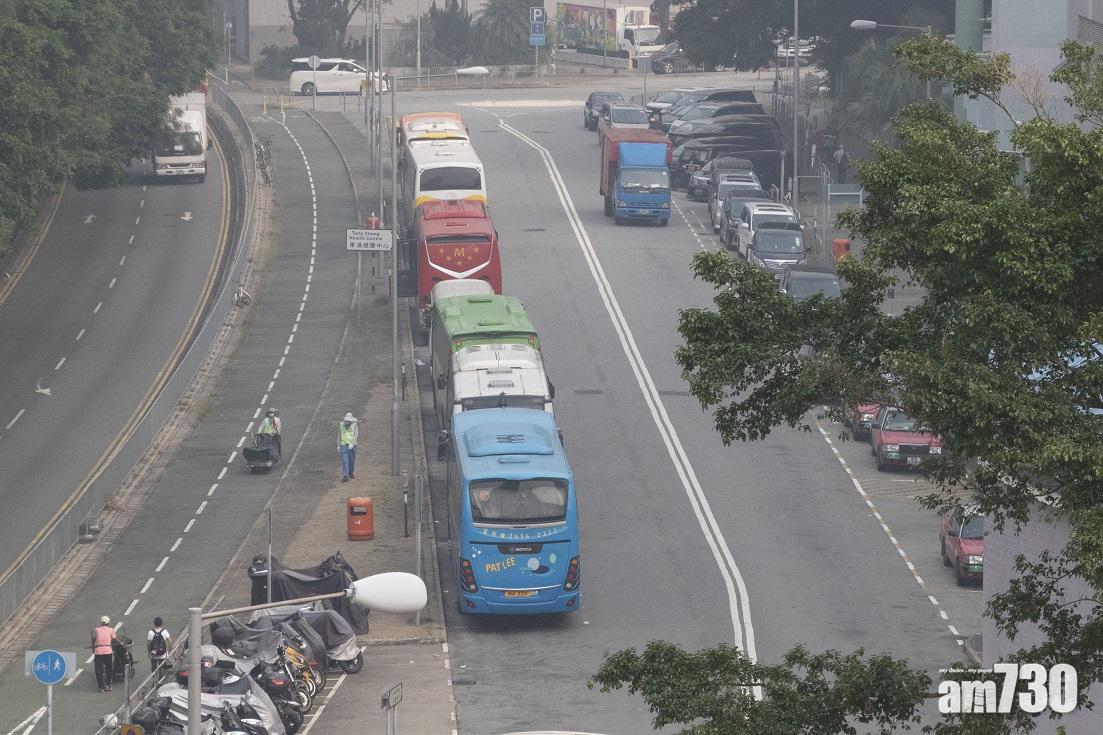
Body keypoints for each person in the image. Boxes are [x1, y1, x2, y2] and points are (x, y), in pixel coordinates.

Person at [91, 615, 121, 692]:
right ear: (108, 623)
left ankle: (101, 688)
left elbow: (93, 639)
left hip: (98, 652)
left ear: (101, 622)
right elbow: (114, 639)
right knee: (109, 669)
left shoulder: (96, 630)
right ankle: (108, 685)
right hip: (108, 651)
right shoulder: (111, 630)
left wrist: (93, 649)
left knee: (99, 670)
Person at [339, 412, 359, 482]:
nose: (347, 422)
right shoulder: (341, 425)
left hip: (352, 445)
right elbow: (339, 435)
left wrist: (352, 443)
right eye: (346, 421)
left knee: (352, 459)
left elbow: (356, 435)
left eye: (348, 421)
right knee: (345, 461)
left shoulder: (355, 425)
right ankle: (345, 476)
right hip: (343, 444)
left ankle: (351, 472)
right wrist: (338, 445)